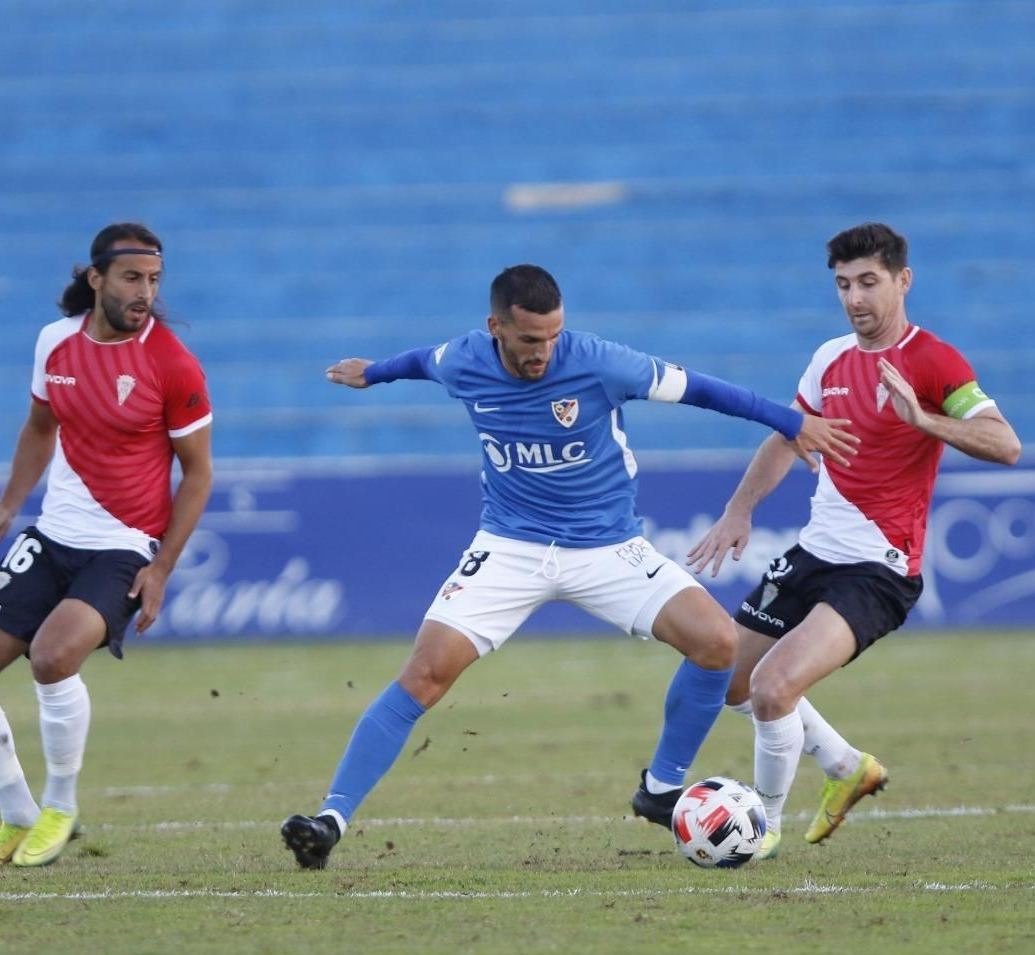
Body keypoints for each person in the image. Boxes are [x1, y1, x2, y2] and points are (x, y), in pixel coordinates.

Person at [280, 264, 858, 869]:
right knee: (424, 674)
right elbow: (422, 361)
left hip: (609, 548)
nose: (545, 352)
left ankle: (661, 789)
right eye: (531, 340)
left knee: (717, 643)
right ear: (495, 328)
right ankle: (330, 820)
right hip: (509, 547)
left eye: (554, 336)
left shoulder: (602, 362)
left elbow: (704, 390)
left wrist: (793, 422)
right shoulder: (464, 361)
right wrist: (371, 373)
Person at [636, 222, 1021, 861]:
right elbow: (790, 435)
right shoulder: (830, 359)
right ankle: (846, 767)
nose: (855, 298)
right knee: (733, 682)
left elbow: (1006, 444)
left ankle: (761, 829)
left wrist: (923, 420)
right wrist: (740, 509)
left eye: (869, 282)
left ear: (903, 280)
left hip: (879, 570)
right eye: (843, 284)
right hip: (815, 553)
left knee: (773, 687)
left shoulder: (935, 362)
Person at [0, 223, 214, 868]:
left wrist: (163, 566)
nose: (145, 292)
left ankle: (60, 805)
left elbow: (197, 474)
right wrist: (6, 508)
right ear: (96, 278)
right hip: (51, 537)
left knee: (54, 658)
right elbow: (39, 428)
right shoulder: (54, 343)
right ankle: (17, 817)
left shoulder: (171, 363)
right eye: (132, 278)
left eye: (154, 280)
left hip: (123, 546)